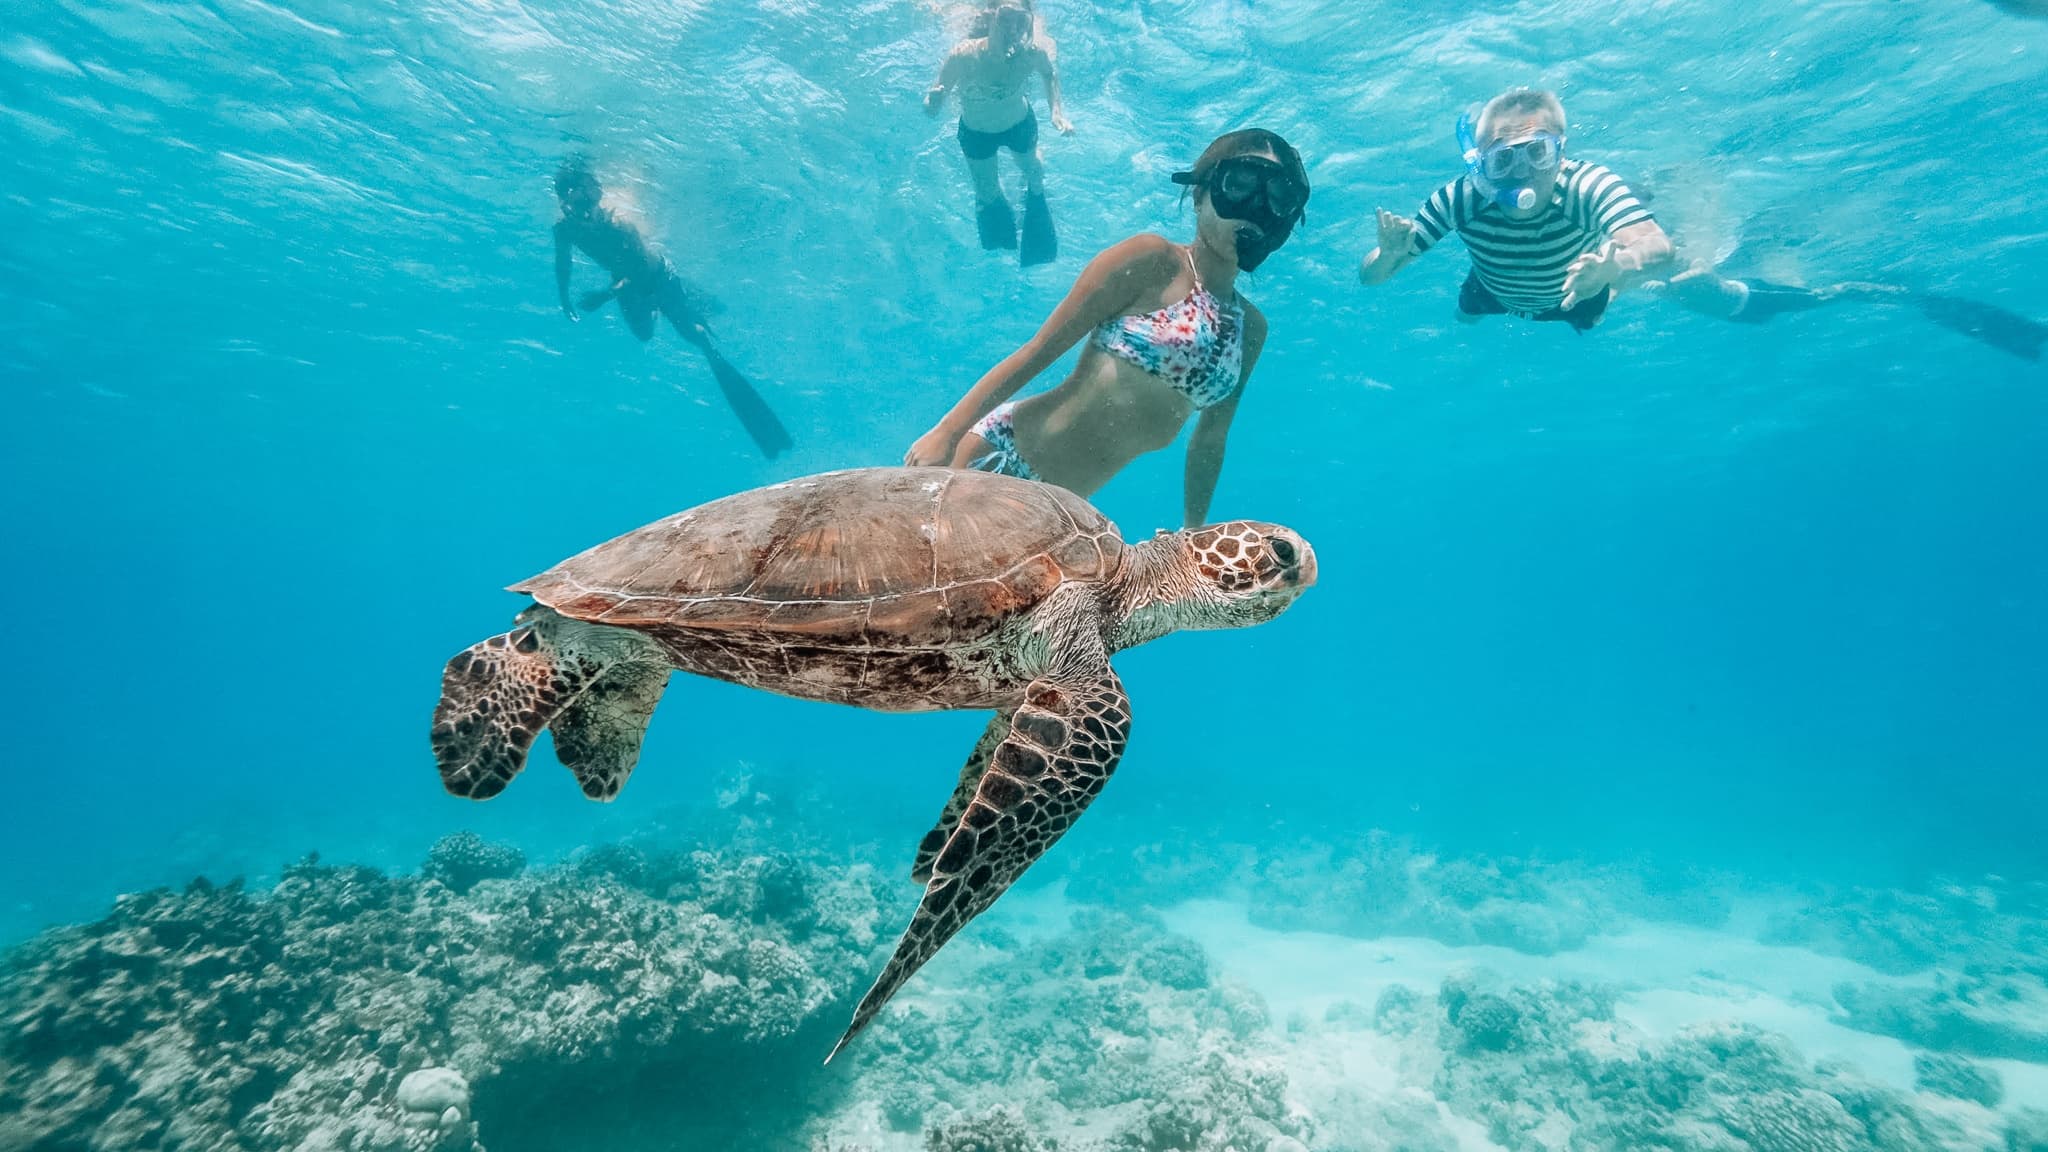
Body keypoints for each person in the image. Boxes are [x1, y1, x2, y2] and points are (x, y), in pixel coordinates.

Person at [904, 128, 1309, 528]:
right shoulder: (1151, 260)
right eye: (1240, 185)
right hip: (1001, 460)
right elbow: (1038, 351)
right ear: (1200, 192)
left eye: (1279, 198)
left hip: (1061, 511)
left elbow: (1210, 438)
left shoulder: (1250, 329)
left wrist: (1194, 528)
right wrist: (948, 431)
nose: (1255, 208)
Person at [1358, 87, 1675, 332]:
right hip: (1492, 291)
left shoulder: (1587, 185)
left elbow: (1659, 246)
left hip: (1577, 292)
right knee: (1464, 318)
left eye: (1538, 152)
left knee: (1594, 316)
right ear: (1480, 165)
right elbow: (1371, 279)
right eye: (1503, 159)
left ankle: (1617, 279)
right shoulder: (1460, 199)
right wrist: (1388, 256)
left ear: (1561, 152)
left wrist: (1615, 268)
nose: (1523, 172)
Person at [552, 158, 794, 457]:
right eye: (576, 205)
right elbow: (562, 265)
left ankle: (694, 322)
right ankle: (669, 308)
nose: (585, 212)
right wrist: (565, 298)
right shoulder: (564, 230)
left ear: (598, 195)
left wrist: (604, 295)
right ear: (565, 204)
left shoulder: (621, 225)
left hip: (658, 278)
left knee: (696, 337)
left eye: (588, 201)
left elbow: (640, 271)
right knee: (643, 334)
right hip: (625, 285)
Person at [1649, 259, 2046, 361]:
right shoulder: (1679, 277)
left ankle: (1902, 293)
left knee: (1832, 293)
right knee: (1835, 293)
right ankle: (1903, 293)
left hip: (1747, 308)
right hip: (1753, 300)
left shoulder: (1671, 283)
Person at [924, 0, 1072, 265]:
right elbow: (933, 105)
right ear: (991, 16)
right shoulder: (964, 56)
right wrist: (933, 102)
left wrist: (1056, 112)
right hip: (977, 133)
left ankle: (1034, 191)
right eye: (1006, 17)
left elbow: (1049, 75)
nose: (1013, 27)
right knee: (986, 190)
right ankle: (1000, 216)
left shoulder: (1032, 54)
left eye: (1021, 20)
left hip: (1019, 125)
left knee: (1035, 173)